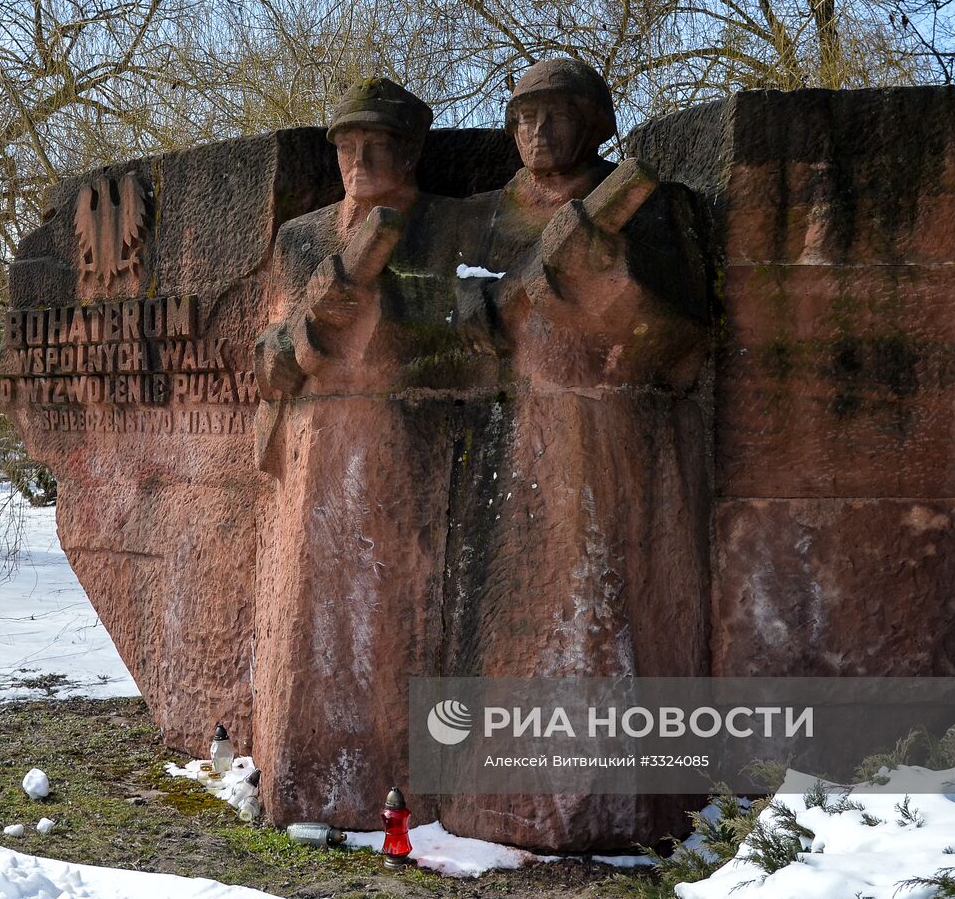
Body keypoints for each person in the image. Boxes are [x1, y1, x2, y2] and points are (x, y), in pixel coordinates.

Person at [438, 58, 713, 850]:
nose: (538, 130)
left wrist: (608, 275)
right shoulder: (485, 217)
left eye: (557, 114)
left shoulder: (642, 208)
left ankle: (619, 803)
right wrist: (474, 306)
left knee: (603, 616)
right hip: (506, 447)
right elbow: (454, 313)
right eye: (524, 117)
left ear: (596, 123)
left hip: (612, 439)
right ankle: (496, 798)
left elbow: (683, 335)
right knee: (508, 612)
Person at [250, 79, 490, 831]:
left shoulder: (456, 227)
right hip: (316, 451)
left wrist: (391, 316)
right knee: (316, 627)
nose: (358, 158)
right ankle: (309, 782)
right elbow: (264, 359)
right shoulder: (302, 237)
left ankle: (407, 782)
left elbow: (482, 338)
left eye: (376, 143)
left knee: (401, 618)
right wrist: (306, 334)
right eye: (346, 146)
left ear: (411, 150)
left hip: (416, 451)